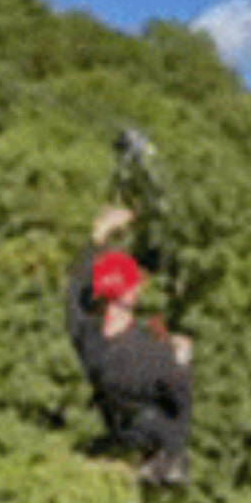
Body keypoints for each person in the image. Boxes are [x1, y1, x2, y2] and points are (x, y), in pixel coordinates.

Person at [66, 205, 192, 486]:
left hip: (115, 424)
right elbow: (180, 405)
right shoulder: (153, 356)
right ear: (131, 294)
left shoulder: (86, 337)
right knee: (174, 421)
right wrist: (182, 359)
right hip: (153, 433)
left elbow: (74, 292)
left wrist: (98, 236)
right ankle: (166, 462)